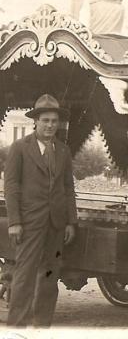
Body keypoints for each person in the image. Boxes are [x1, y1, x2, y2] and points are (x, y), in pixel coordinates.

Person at [4, 94, 77, 327]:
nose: (50, 125)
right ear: (35, 121)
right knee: (24, 277)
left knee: (49, 277)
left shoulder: (63, 151)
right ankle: (17, 328)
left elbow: (68, 188)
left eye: (54, 121)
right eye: (45, 120)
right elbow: (11, 187)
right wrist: (14, 221)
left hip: (56, 225)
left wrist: (69, 222)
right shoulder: (19, 148)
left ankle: (42, 327)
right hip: (29, 224)